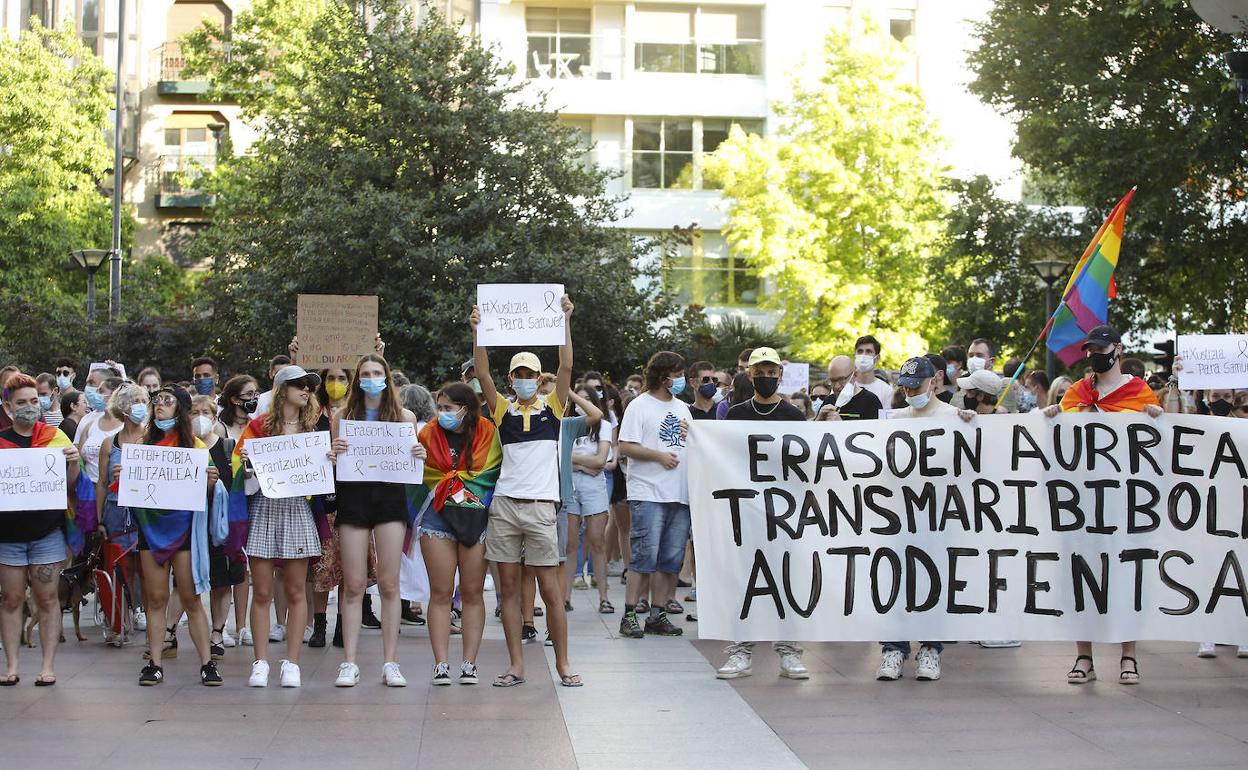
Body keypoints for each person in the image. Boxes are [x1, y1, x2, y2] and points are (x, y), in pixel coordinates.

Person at [469, 295, 581, 688]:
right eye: (518, 373)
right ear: (511, 379)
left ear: (538, 376)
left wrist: (565, 320)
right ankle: (516, 664)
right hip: (505, 507)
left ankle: (564, 663)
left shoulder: (554, 405)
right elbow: (481, 371)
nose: (524, 379)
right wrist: (478, 331)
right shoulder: (502, 409)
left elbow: (566, 364)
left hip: (540, 508)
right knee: (510, 593)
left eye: (529, 373)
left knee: (551, 589)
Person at [1042, 325, 1161, 685]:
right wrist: (1050, 420)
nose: (1095, 353)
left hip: (1125, 502)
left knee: (1126, 575)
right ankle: (1084, 656)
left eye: (1101, 347)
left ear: (1118, 349)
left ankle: (1129, 657)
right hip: (1082, 503)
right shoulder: (1079, 391)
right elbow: (1060, 441)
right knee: (1081, 574)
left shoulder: (1140, 392)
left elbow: (1159, 444)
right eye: (1091, 348)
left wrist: (1159, 420)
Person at [329, 354, 427, 688]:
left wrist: (418, 454)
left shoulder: (405, 417)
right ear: (358, 379)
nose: (372, 378)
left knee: (389, 583)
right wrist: (332, 452)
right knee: (354, 584)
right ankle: (349, 662)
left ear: (386, 377)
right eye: (366, 373)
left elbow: (414, 461)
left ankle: (390, 661)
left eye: (377, 372)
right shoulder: (343, 416)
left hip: (390, 500)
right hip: (354, 499)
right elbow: (332, 461)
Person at [876, 356, 975, 682]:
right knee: (897, 580)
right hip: (899, 513)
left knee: (935, 582)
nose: (909, 393)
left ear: (933, 381)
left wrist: (974, 426)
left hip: (939, 515)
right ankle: (894, 648)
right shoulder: (893, 418)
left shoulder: (952, 417)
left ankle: (930, 649)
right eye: (904, 387)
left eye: (915, 386)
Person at [716, 348, 809, 680]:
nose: (766, 377)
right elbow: (721, 456)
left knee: (786, 579)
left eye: (772, 372)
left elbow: (806, 464)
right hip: (747, 511)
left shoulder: (794, 416)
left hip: (784, 514)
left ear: (780, 374)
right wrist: (697, 440)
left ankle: (789, 651)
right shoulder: (737, 414)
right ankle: (742, 650)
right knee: (746, 579)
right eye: (760, 371)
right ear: (750, 375)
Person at [233, 365, 328, 688]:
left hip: (297, 509)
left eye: (309, 386)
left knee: (296, 589)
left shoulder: (312, 432)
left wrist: (326, 463)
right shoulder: (258, 428)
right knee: (261, 590)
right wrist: (245, 464)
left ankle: (292, 662)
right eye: (299, 385)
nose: (306, 390)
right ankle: (260, 661)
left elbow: (318, 483)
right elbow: (240, 474)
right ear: (281, 389)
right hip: (264, 506)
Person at [131, 387, 222, 686]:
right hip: (151, 529)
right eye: (156, 401)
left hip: (184, 531)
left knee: (191, 598)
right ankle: (154, 663)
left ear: (181, 410)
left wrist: (211, 483)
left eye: (167, 402)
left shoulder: (196, 447)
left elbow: (208, 492)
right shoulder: (142, 444)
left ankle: (207, 663)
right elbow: (133, 492)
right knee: (156, 599)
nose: (159, 406)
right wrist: (124, 478)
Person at [416, 382, 501, 684]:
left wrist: (458, 485)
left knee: (472, 592)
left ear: (465, 409)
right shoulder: (426, 434)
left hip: (475, 519)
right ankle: (441, 664)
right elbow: (418, 475)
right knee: (439, 593)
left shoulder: (488, 433)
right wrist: (414, 456)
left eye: (448, 408)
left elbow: (490, 474)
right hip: (436, 519)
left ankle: (469, 663)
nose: (442, 414)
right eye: (439, 408)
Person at [0, 374, 80, 686]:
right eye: (22, 402)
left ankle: (47, 666)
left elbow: (71, 487)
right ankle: (12, 664)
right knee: (11, 599)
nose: (30, 407)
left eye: (35, 401)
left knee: (48, 599)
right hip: (7, 537)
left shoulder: (56, 439)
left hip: (47, 533)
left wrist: (73, 464)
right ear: (8, 407)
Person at [617, 351, 692, 640]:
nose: (681, 380)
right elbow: (625, 446)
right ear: (664, 377)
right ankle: (630, 614)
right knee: (644, 556)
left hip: (679, 494)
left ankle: (657, 614)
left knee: (671, 559)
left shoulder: (683, 408)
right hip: (649, 492)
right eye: (678, 373)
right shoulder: (639, 406)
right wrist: (659, 456)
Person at [190, 395, 245, 658]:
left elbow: (240, 481)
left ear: (215, 418)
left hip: (221, 526)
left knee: (223, 581)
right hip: (191, 525)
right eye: (194, 411)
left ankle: (217, 631)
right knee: (188, 581)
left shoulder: (227, 446)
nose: (199, 416)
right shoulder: (182, 448)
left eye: (205, 412)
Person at [89, 382, 141, 637]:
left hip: (145, 514)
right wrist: (98, 520)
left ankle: (150, 617)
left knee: (149, 569)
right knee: (120, 567)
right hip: (116, 513)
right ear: (122, 408)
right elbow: (101, 483)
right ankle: (121, 618)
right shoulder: (110, 443)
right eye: (134, 402)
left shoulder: (153, 440)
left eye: (143, 401)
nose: (139, 407)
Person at [564, 387, 611, 613]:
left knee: (597, 541)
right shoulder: (567, 424)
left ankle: (604, 597)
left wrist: (574, 461)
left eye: (586, 399)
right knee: (570, 543)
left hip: (594, 487)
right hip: (570, 484)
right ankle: (565, 597)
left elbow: (601, 460)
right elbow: (559, 457)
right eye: (577, 399)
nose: (581, 403)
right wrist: (585, 464)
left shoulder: (604, 426)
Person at [815, 356, 882, 422]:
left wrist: (841, 425)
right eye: (832, 381)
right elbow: (816, 431)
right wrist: (818, 420)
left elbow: (877, 431)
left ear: (855, 375)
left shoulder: (871, 401)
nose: (836, 386)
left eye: (841, 379)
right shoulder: (829, 400)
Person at [848, 335, 895, 410]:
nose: (863, 355)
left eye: (868, 351)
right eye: (860, 351)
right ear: (855, 356)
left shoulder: (886, 390)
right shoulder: (845, 386)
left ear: (877, 358)